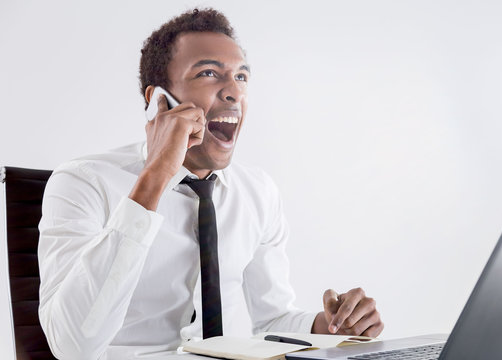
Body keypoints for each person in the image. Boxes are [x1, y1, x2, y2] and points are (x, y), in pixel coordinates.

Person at [38, 8, 383, 359]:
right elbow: (72, 347)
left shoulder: (258, 192)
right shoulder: (83, 182)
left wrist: (330, 327)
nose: (234, 91)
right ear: (158, 100)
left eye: (242, 77)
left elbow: (272, 319)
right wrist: (156, 176)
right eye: (209, 73)